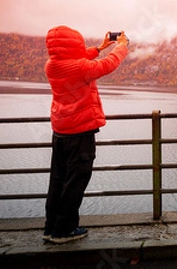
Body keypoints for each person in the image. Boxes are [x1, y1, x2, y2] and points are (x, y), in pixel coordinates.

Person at [43, 26, 129, 244]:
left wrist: (99, 47)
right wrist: (121, 47)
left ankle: (51, 227)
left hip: (61, 130)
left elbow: (78, 61)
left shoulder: (52, 65)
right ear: (74, 43)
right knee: (76, 181)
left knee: (58, 179)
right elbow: (106, 66)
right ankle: (64, 231)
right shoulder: (80, 67)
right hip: (80, 132)